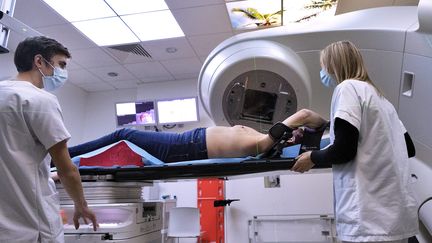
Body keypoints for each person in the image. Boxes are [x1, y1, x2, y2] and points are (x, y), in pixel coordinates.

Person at [292, 40, 418, 243]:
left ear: (333, 66)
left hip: (370, 219)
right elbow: (408, 148)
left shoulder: (347, 88)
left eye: (323, 66)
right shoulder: (382, 100)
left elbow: (344, 150)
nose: (323, 71)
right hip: (397, 218)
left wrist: (312, 157)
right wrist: (329, 126)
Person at [0, 36, 98, 242]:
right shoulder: (39, 100)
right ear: (39, 62)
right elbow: (67, 169)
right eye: (61, 65)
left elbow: (13, 158)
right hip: (32, 226)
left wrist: (46, 174)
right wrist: (81, 205)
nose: (63, 72)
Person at [68, 108, 325, 163]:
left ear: (288, 139)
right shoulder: (262, 138)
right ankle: (62, 157)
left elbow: (303, 115)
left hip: (185, 147)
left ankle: (62, 157)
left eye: (299, 134)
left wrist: (318, 123)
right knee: (124, 134)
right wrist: (311, 131)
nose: (297, 131)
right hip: (188, 141)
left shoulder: (260, 144)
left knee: (125, 133)